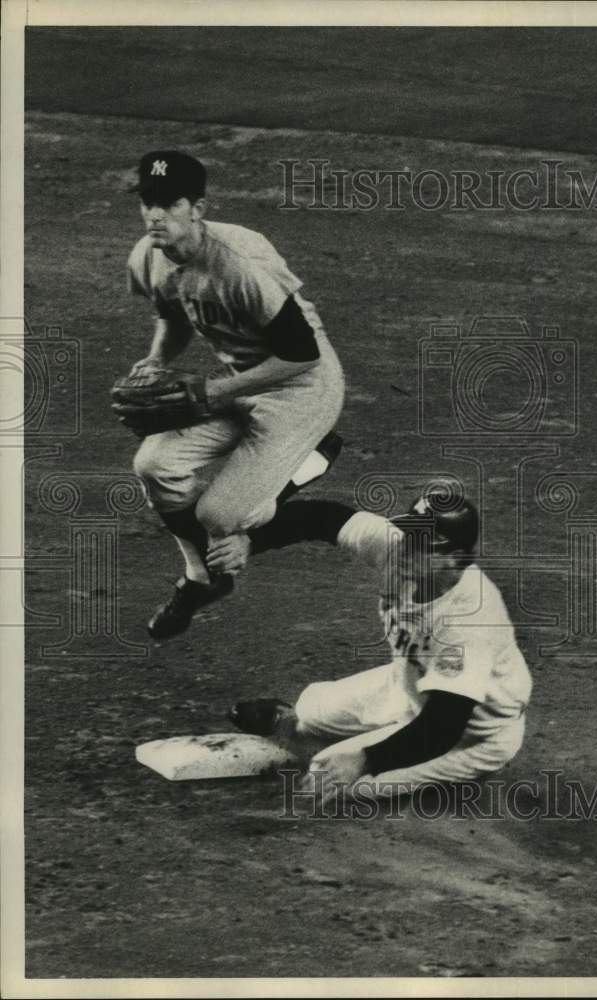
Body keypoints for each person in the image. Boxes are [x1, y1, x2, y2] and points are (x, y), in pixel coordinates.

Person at [125, 150, 345, 640]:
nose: (154, 214)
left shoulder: (239, 265)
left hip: (303, 389)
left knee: (221, 516)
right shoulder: (148, 255)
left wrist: (212, 390)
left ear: (197, 208)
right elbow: (173, 316)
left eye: (168, 203)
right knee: (154, 466)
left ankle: (314, 457)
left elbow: (302, 354)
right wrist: (158, 359)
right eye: (146, 201)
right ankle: (201, 578)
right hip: (239, 382)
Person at [212, 487, 532, 800]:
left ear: (455, 558)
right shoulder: (398, 551)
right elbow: (321, 517)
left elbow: (443, 726)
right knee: (309, 710)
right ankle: (318, 731)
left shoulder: (471, 618)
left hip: (474, 734)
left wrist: (365, 760)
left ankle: (460, 772)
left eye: (423, 544)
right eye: (409, 536)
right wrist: (250, 542)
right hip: (411, 687)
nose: (407, 549)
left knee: (338, 780)